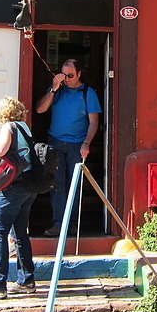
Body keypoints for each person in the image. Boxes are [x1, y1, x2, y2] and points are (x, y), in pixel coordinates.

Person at [0, 96, 37, 300]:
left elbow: (2, 149)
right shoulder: (24, 127)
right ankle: (27, 280)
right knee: (20, 232)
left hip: (14, 187)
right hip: (29, 185)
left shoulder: (8, 127)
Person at [35, 59, 101, 237]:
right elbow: (40, 109)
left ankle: (72, 224)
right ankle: (58, 223)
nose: (67, 79)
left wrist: (86, 143)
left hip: (76, 145)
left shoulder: (88, 93)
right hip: (55, 142)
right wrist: (53, 88)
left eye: (70, 76)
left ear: (79, 74)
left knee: (74, 185)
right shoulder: (57, 91)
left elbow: (94, 122)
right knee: (56, 185)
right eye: (64, 76)